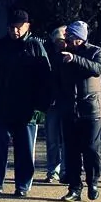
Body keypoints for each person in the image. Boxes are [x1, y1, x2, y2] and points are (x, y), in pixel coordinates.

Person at [0, 9, 51, 197]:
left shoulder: (35, 47)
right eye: (12, 27)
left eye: (19, 27)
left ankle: (22, 186)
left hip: (26, 109)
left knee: (25, 150)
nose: (15, 31)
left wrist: (41, 107)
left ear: (27, 26)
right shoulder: (0, 46)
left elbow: (45, 79)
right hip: (0, 106)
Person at [54, 21, 101, 202]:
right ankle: (74, 187)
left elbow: (98, 69)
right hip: (69, 109)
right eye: (68, 36)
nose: (68, 39)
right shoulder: (61, 53)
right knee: (72, 150)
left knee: (91, 149)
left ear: (80, 38)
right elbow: (56, 78)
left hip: (91, 109)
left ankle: (93, 182)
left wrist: (74, 58)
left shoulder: (96, 52)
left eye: (72, 36)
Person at [42, 27, 67, 185]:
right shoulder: (47, 53)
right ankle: (53, 170)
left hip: (67, 101)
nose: (61, 45)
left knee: (66, 139)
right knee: (52, 139)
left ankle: (65, 169)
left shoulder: (73, 53)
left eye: (63, 42)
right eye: (58, 42)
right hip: (51, 102)